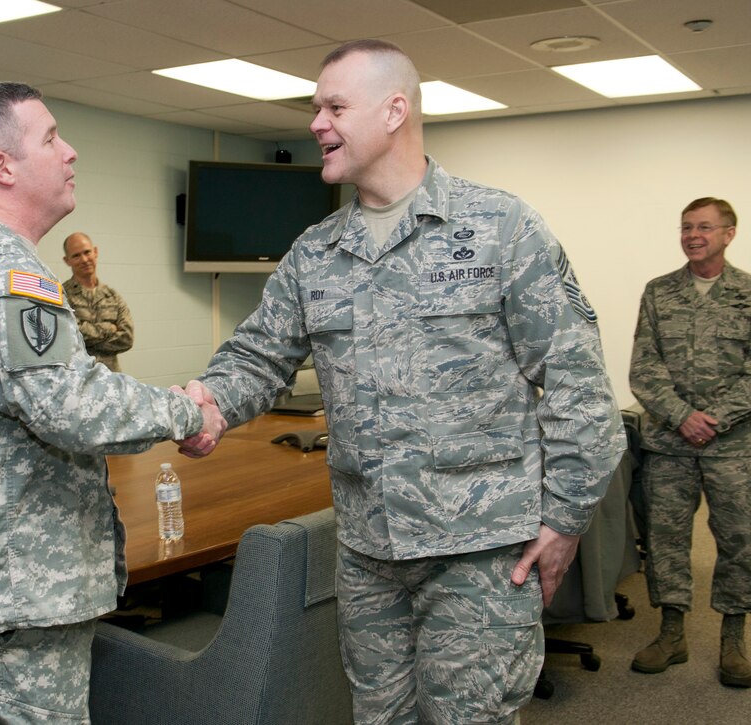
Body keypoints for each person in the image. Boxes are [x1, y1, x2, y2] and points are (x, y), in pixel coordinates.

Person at [180, 40, 625, 724]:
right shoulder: (316, 253)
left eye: (333, 106)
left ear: (395, 111)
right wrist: (205, 404)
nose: (315, 124)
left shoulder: (499, 229)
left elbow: (578, 384)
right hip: (368, 555)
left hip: (478, 554)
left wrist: (563, 519)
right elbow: (257, 358)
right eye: (314, 108)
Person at [0, 82, 223, 723]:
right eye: (50, 137)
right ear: (4, 167)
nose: (70, 151)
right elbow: (69, 403)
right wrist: (187, 409)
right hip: (7, 599)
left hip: (13, 592)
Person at [629, 197, 750, 688]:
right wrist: (682, 417)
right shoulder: (659, 293)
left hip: (734, 447)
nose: (693, 235)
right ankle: (672, 633)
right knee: (665, 541)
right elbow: (643, 367)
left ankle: (734, 640)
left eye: (704, 227)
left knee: (740, 542)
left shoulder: (747, 294)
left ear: (729, 233)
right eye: (686, 227)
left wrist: (714, 419)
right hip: (669, 445)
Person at [62, 231, 134, 372]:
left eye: (87, 252)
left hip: (112, 379)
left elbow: (127, 339)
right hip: (79, 379)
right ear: (67, 260)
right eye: (76, 255)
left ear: (95, 252)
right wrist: (109, 328)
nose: (84, 259)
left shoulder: (113, 296)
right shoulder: (61, 295)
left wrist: (87, 339)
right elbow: (70, 337)